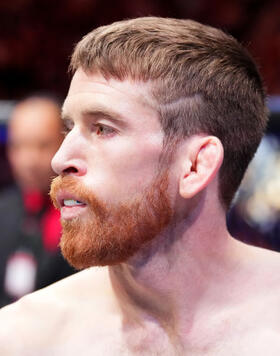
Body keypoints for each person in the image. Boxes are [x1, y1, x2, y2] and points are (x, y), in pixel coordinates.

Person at [0, 17, 278, 355]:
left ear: (195, 165)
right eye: (70, 126)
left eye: (102, 128)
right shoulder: (25, 337)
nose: (59, 160)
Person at [0, 96, 75, 307]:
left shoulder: (88, 211)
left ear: (65, 141)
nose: (29, 160)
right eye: (18, 146)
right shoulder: (4, 210)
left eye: (42, 145)